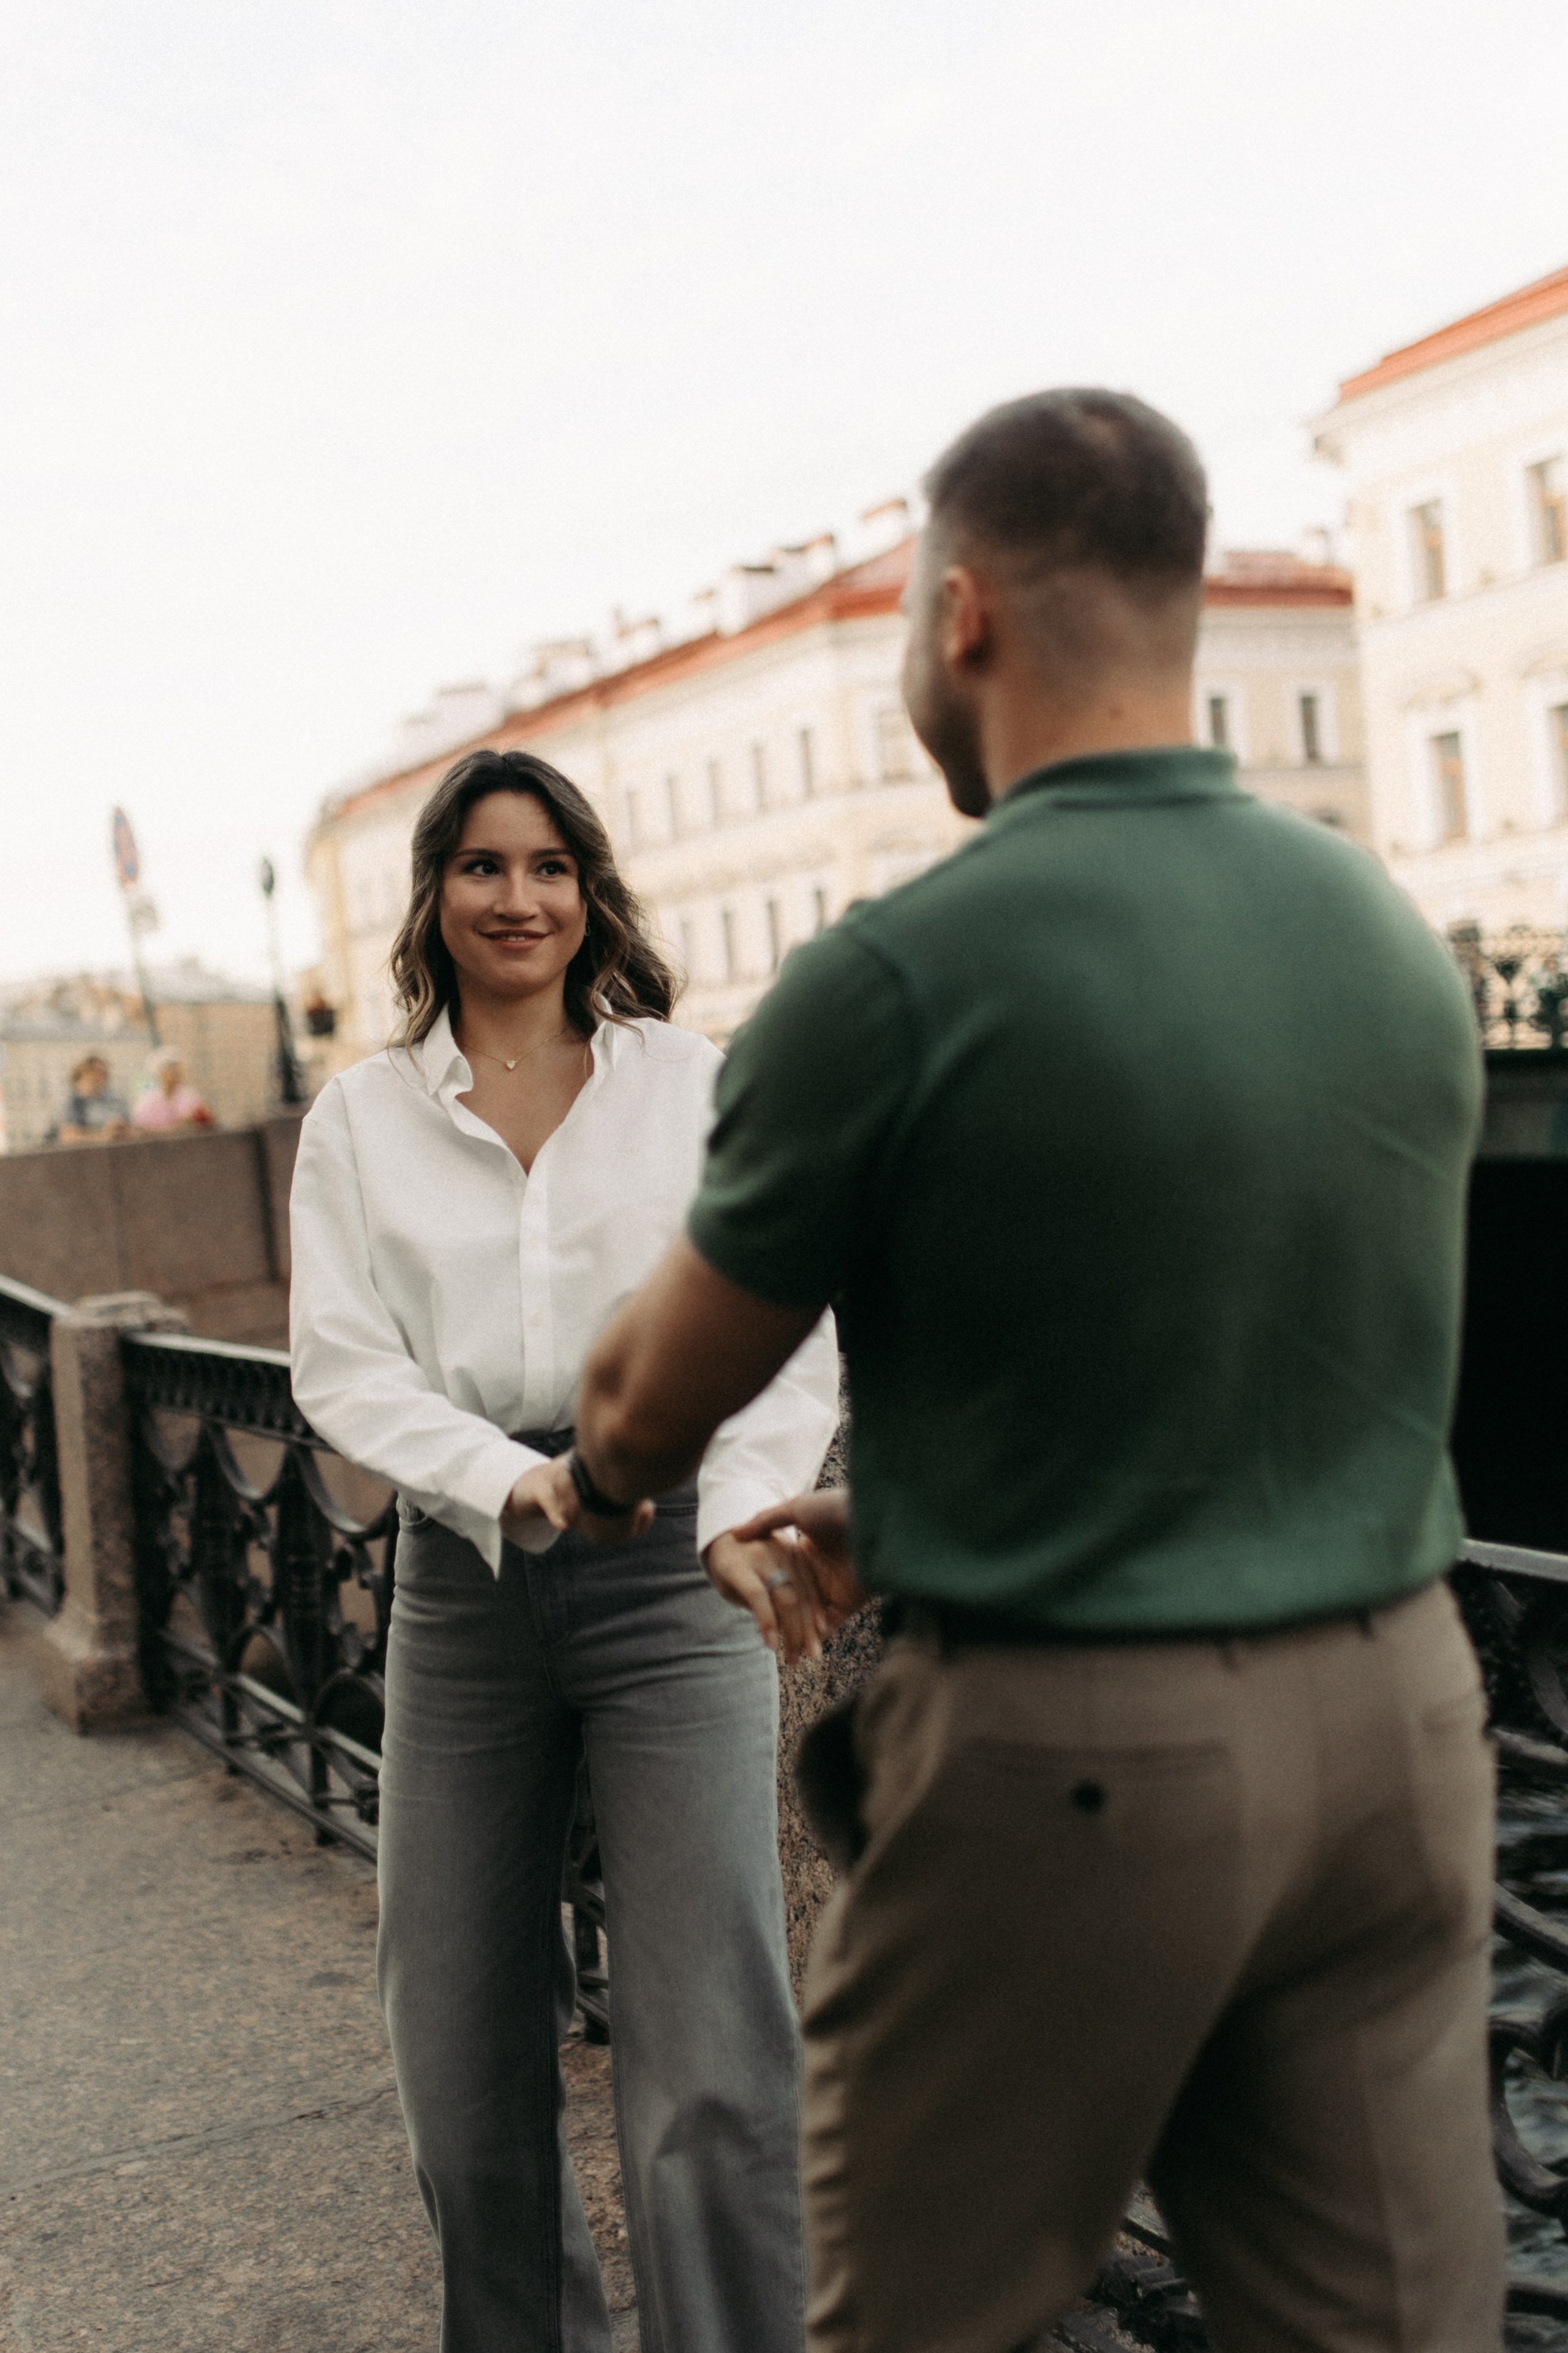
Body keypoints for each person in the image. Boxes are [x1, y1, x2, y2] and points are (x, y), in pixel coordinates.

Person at [568, 390, 1505, 2352]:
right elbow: (1247, 1351)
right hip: (1402, 1720)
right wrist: (923, 1475)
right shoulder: (1385, 939)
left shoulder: (894, 972)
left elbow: (645, 1416)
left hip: (1085, 1754)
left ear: (964, 614)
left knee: (926, 2313)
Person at [288, 747, 838, 2353]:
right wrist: (500, 1484)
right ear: (432, 896)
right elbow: (339, 1358)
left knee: (714, 2061)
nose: (517, 898)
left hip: (682, 1573)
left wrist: (738, 1508)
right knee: (456, 2052)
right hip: (465, 1588)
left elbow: (783, 1321)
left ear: (590, 891)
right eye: (482, 866)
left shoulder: (690, 1085)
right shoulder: (365, 1119)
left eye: (549, 867)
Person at [131, 1046, 214, 1131]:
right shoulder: (148, 1100)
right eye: (169, 1069)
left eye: (176, 1069)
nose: (174, 1073)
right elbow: (141, 1129)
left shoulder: (190, 1096)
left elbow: (207, 1121)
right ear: (160, 1073)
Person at [53, 1054, 130, 1143]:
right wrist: (103, 1135)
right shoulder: (71, 1101)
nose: (101, 1077)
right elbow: (68, 1136)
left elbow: (128, 1126)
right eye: (95, 1071)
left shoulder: (114, 1098)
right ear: (83, 1073)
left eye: (104, 1073)